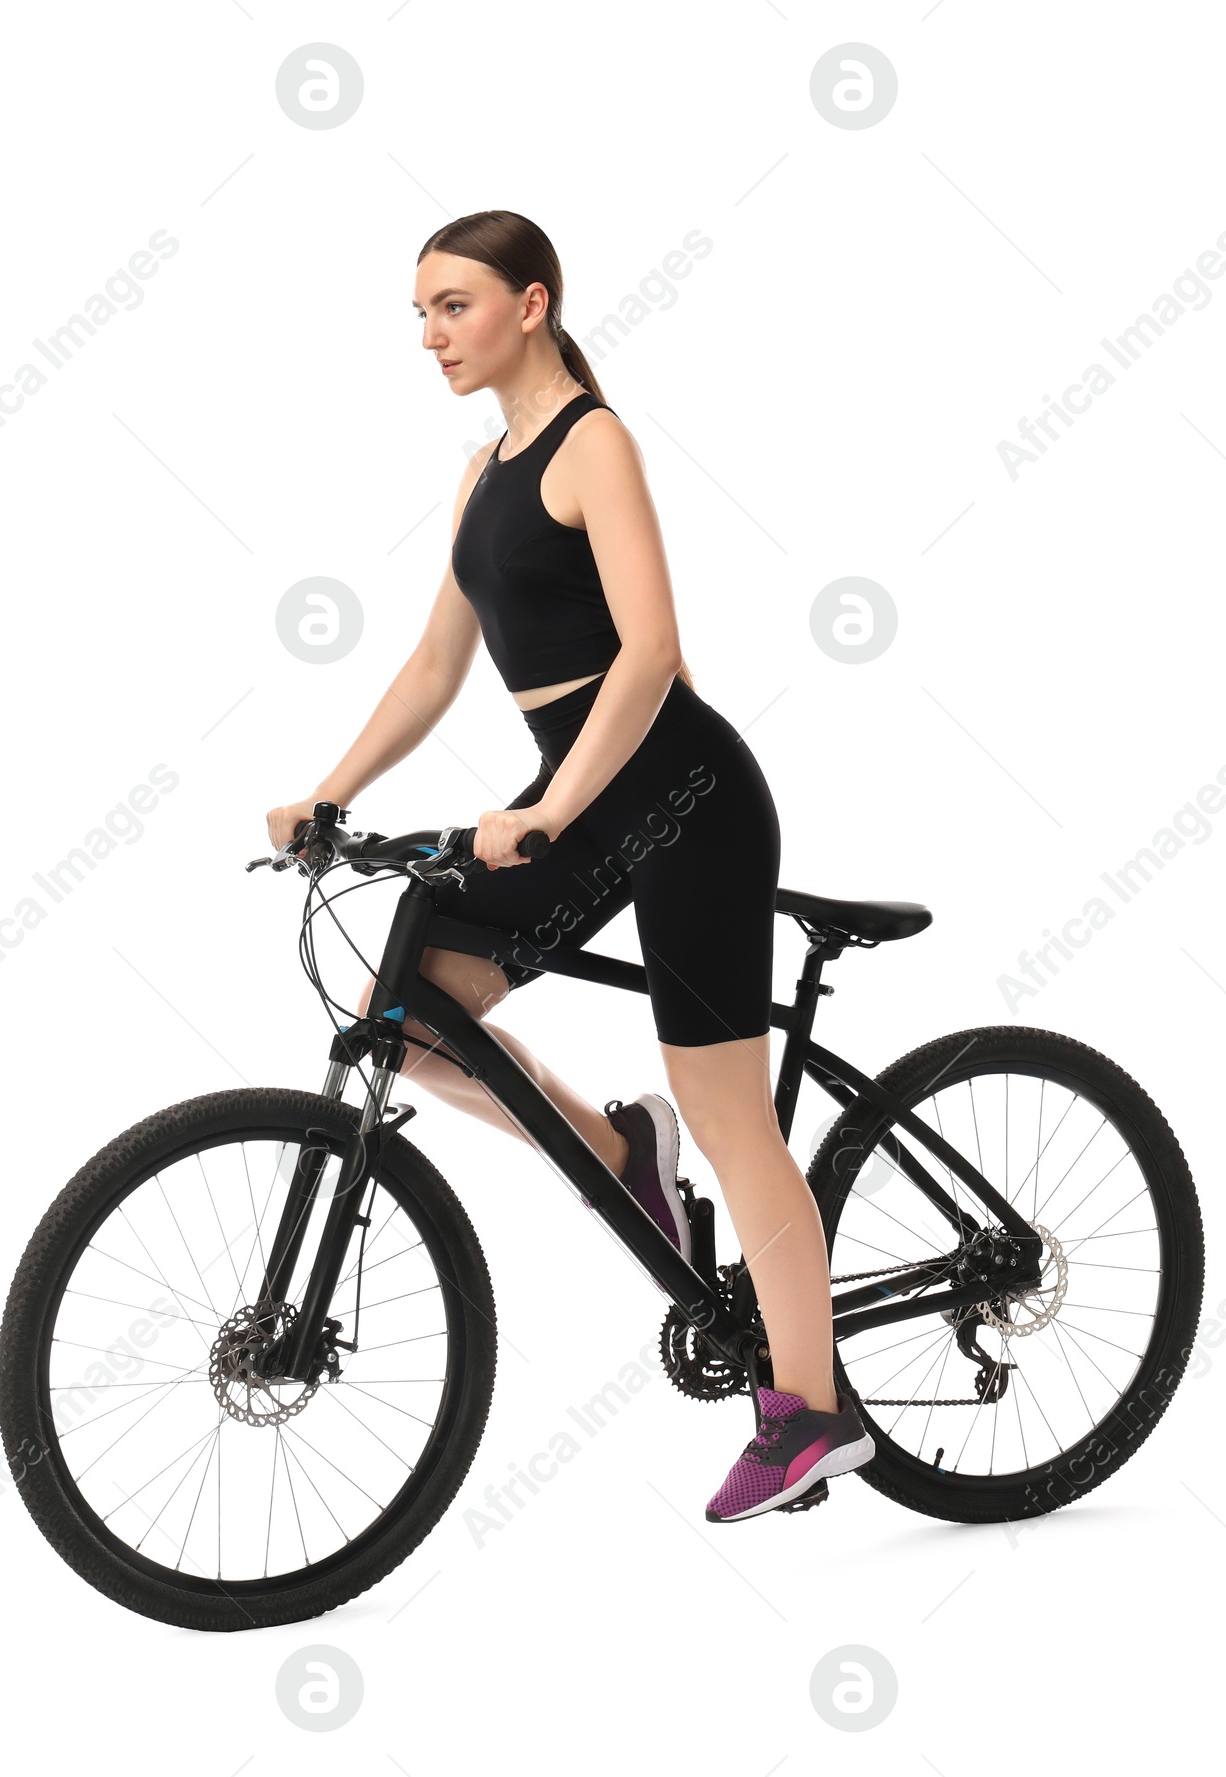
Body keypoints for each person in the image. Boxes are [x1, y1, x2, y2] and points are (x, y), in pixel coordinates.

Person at [267, 210, 873, 1522]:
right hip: (582, 797)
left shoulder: (594, 444)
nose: (431, 335)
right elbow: (436, 666)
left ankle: (813, 1408)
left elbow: (650, 656)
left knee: (728, 1110)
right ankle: (616, 1153)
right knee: (415, 1012)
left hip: (685, 793)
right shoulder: (484, 474)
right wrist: (332, 789)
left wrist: (549, 811)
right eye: (419, 312)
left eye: (454, 305)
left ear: (531, 303)